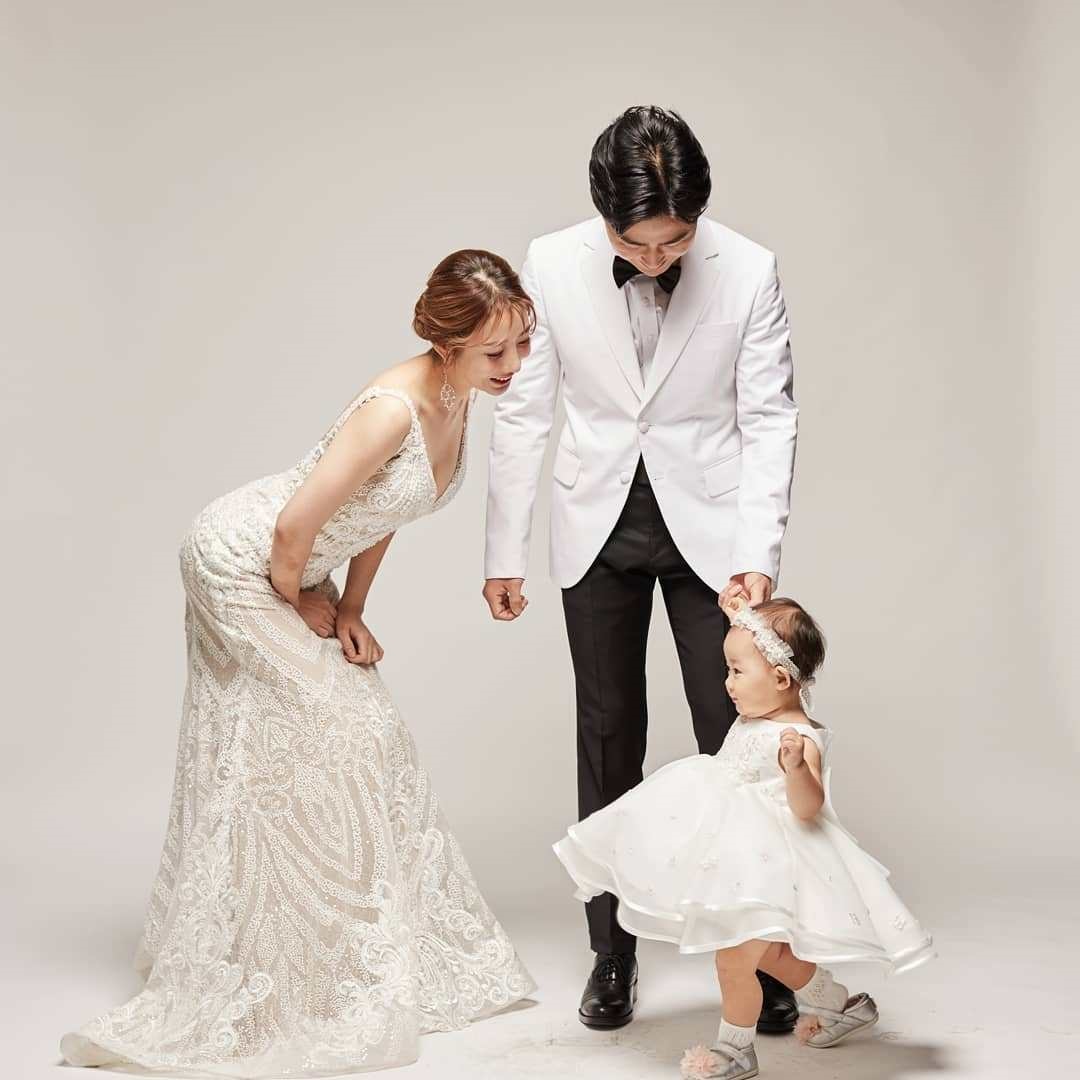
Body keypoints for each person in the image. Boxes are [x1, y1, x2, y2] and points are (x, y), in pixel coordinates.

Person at [59, 250, 537, 1077]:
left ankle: (328, 947)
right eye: (496, 350)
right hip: (242, 559)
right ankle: (267, 965)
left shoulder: (459, 398)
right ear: (447, 343)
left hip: (300, 562)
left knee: (364, 739)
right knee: (331, 735)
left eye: (523, 344)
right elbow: (293, 528)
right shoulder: (391, 409)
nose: (514, 365)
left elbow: (385, 510)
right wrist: (306, 598)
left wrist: (352, 608)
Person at [483, 105, 800, 1030]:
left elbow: (770, 416)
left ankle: (764, 962)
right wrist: (505, 551)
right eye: (637, 245)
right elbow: (525, 413)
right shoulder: (550, 263)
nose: (658, 260)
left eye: (677, 241)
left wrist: (758, 554)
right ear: (603, 218)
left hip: (715, 537)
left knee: (736, 743)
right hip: (597, 526)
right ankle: (611, 953)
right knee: (608, 735)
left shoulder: (750, 269)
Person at [554, 596, 935, 1079]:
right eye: (728, 670)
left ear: (780, 679)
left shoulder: (798, 737)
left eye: (737, 671)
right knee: (771, 954)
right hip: (734, 856)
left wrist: (796, 769)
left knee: (735, 961)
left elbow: (808, 807)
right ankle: (840, 1005)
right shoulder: (760, 716)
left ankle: (736, 1050)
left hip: (769, 867)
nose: (727, 683)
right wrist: (742, 613)